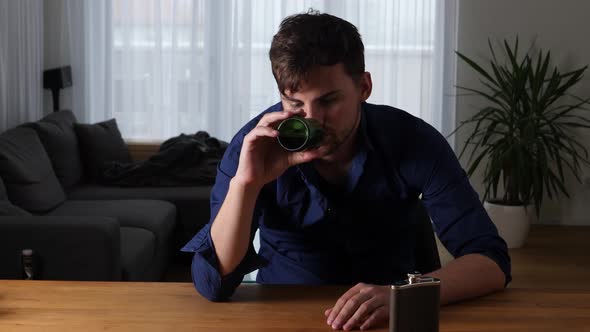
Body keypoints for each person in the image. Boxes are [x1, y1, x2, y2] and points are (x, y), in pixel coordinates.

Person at [182, 10, 510, 331]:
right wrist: (247, 184)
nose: (312, 121)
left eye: (328, 101)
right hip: (285, 314)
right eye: (295, 105)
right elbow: (213, 284)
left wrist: (403, 295)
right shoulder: (254, 146)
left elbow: (491, 261)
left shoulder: (414, 140)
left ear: (364, 87)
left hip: (389, 316)